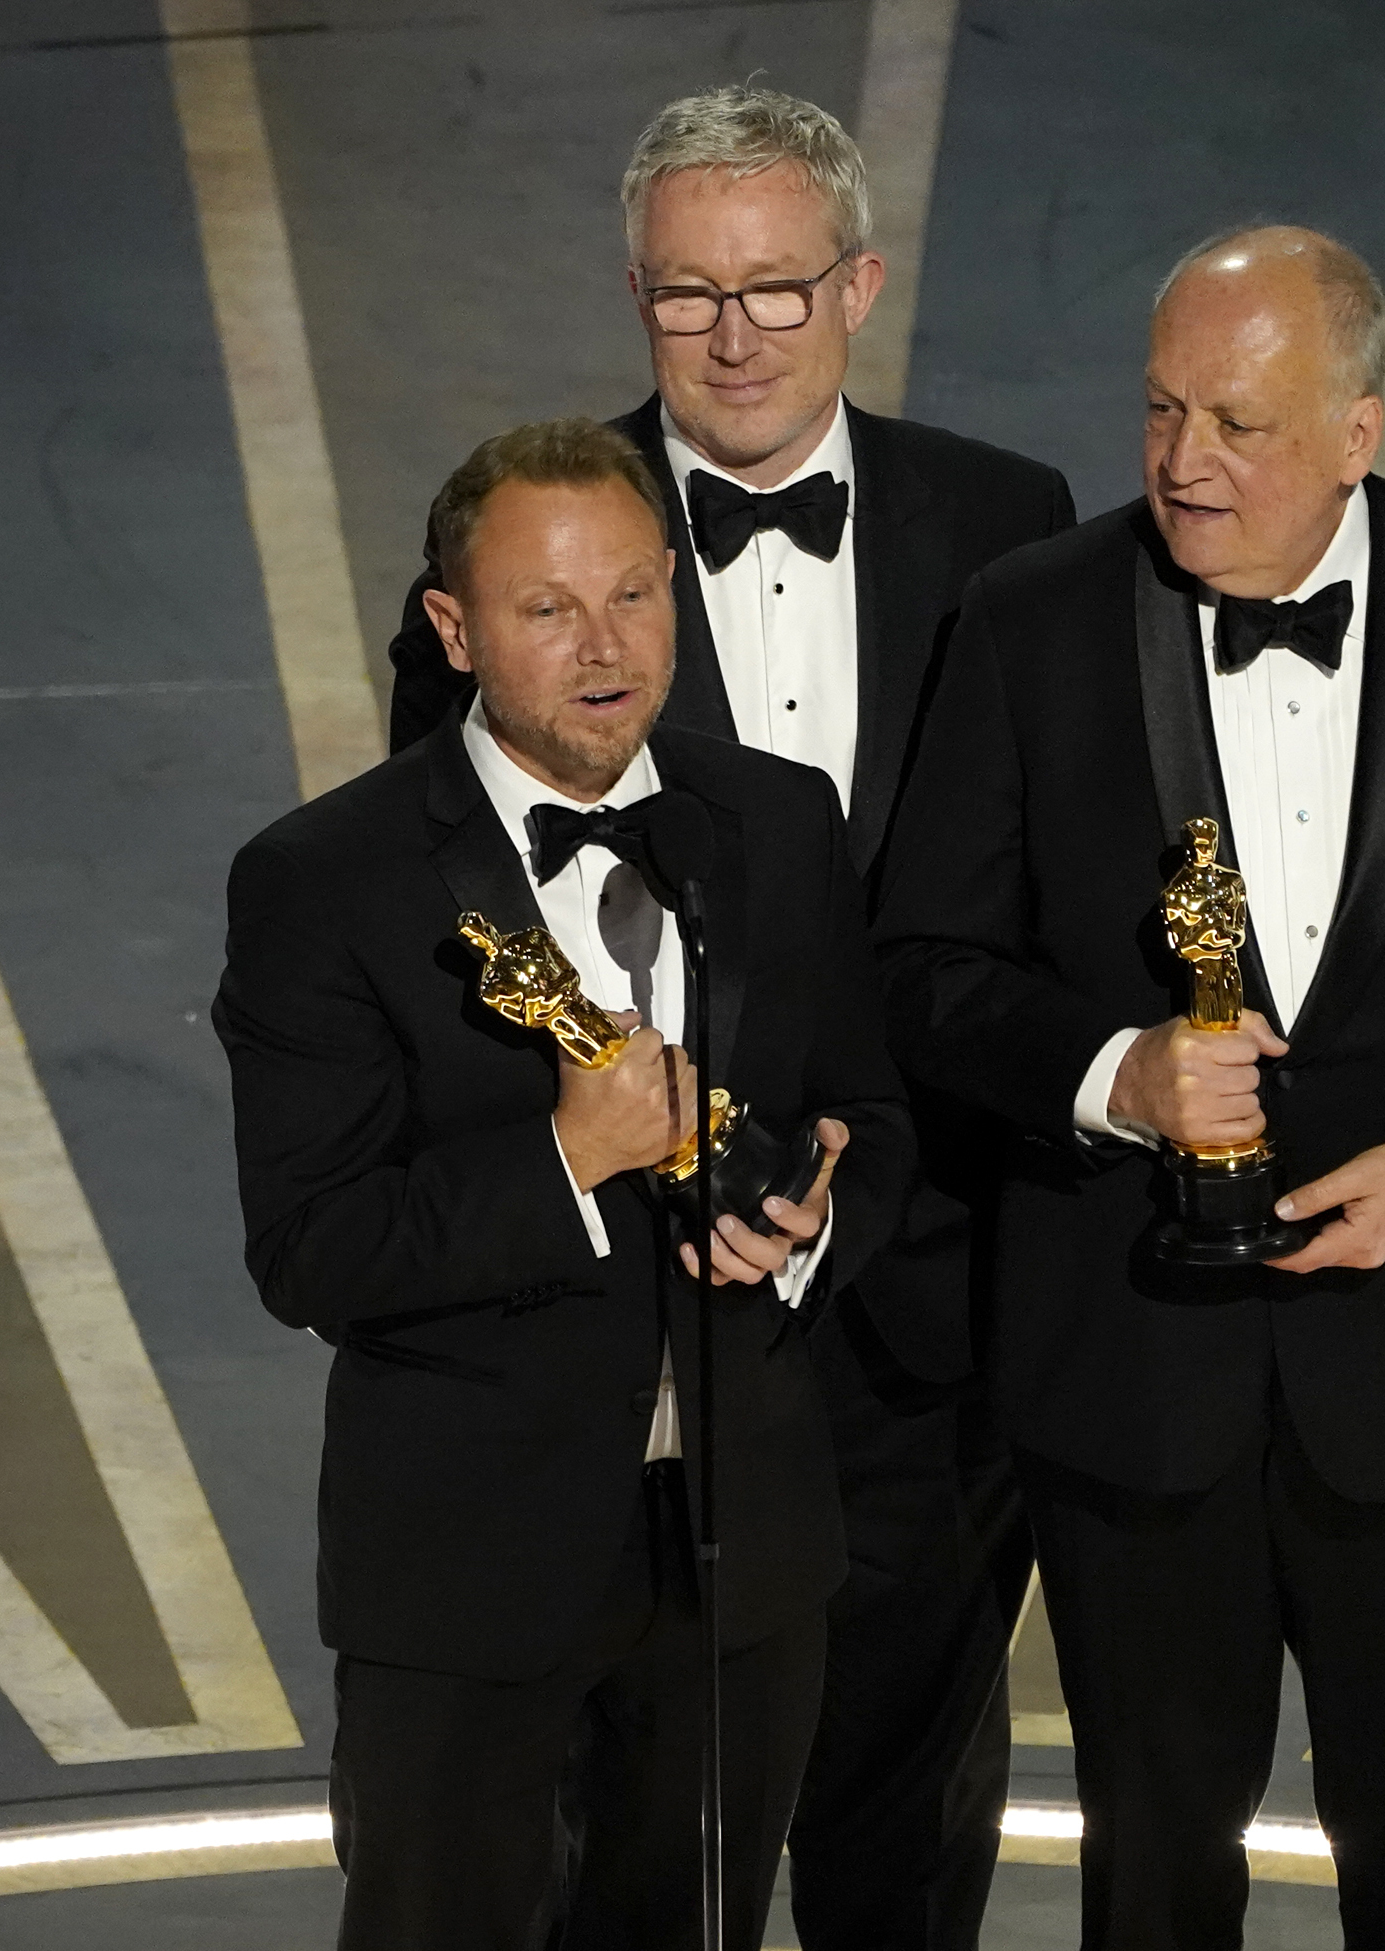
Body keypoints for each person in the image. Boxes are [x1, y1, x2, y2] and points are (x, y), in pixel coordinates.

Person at [873, 226, 1385, 1947]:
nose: (1182, 462)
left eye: (1238, 422)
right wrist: (1116, 1074)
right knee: (1151, 1873)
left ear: (1359, 431)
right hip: (1128, 1374)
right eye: (1163, 410)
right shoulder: (1031, 622)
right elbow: (930, 967)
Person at [390, 85, 1076, 1946]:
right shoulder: (528, 536)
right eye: (690, 295)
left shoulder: (1013, 528)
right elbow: (453, 909)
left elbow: (1045, 896)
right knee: (628, 1827)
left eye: (777, 289)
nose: (737, 334)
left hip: (923, 1285)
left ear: (859, 284)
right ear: (638, 299)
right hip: (633, 1294)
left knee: (906, 1806)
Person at [215, 418, 913, 1949]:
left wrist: (819, 1219)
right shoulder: (325, 881)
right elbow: (313, 1249)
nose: (606, 649)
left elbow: (871, 1107)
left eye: (636, 596)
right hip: (470, 1565)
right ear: (457, 630)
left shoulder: (777, 821)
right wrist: (563, 1160)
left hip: (743, 1549)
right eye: (547, 610)